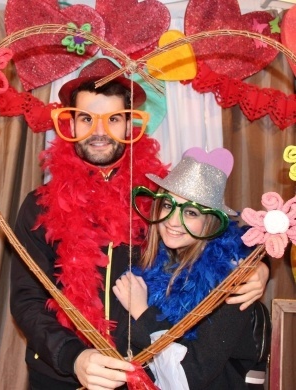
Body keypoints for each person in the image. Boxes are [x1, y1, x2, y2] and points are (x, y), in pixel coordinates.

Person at [10, 57, 269, 390]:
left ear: (130, 124)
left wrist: (256, 268)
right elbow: (27, 299)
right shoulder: (38, 205)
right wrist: (73, 357)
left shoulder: (159, 195)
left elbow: (217, 233)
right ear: (71, 124)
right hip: (61, 375)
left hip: (142, 372)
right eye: (86, 118)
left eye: (113, 119)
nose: (99, 131)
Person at [113, 147, 270, 389]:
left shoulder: (231, 283)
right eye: (167, 206)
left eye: (190, 212)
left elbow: (188, 377)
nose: (173, 221)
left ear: (212, 222)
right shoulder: (150, 265)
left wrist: (142, 312)